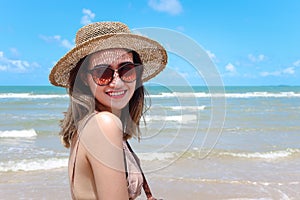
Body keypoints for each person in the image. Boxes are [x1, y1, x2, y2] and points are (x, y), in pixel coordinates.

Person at [49, 21, 167, 200]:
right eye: (103, 73)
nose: (117, 82)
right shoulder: (105, 124)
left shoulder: (87, 125)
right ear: (84, 78)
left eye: (126, 69)